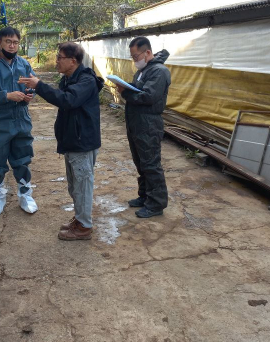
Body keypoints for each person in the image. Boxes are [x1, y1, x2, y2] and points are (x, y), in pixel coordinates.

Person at [19, 42, 104, 240]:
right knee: (74, 185)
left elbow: (67, 100)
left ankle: (84, 227)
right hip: (73, 140)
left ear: (72, 61)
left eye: (60, 58)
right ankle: (80, 218)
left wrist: (39, 85)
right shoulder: (68, 79)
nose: (56, 61)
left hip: (82, 142)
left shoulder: (85, 81)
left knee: (82, 185)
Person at [0, 27, 37, 216]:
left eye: (15, 42)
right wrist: (7, 95)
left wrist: (30, 95)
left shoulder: (24, 64)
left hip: (21, 118)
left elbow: (32, 85)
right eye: (8, 42)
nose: (12, 46)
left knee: (22, 159)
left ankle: (25, 195)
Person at [115, 37, 171, 218]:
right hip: (136, 122)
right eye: (132, 57)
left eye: (136, 56)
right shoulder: (144, 71)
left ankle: (156, 204)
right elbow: (138, 89)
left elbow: (148, 97)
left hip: (148, 123)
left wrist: (126, 92)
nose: (134, 60)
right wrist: (127, 87)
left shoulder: (159, 72)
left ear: (147, 52)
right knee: (140, 162)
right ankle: (145, 195)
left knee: (150, 163)